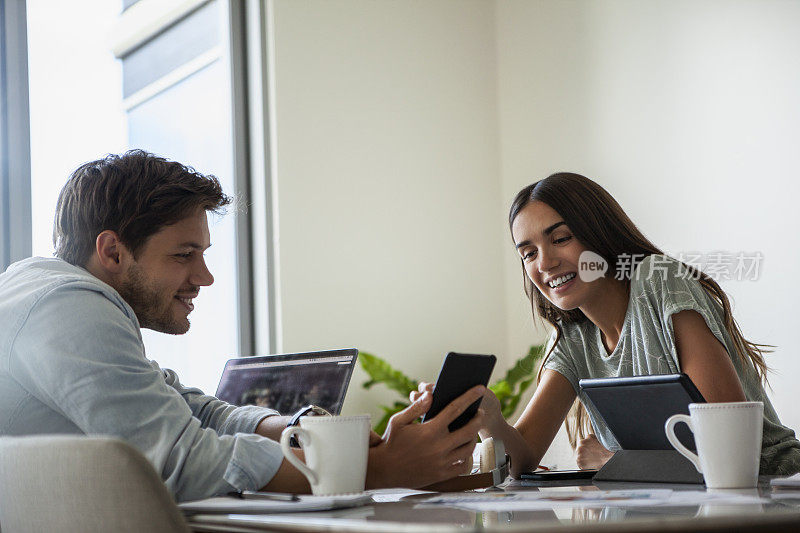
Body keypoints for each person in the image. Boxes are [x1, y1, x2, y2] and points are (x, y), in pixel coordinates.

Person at [0, 150, 483, 502]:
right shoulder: (65, 306)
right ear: (112, 252)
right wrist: (375, 468)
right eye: (184, 255)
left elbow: (193, 411)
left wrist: (306, 433)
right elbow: (180, 461)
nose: (204, 278)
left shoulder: (55, 299)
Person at [415, 172, 800, 477]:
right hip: (681, 510)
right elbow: (524, 457)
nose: (544, 263)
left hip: (774, 495)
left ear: (599, 233)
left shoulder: (659, 279)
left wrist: (616, 461)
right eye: (528, 253)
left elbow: (731, 445)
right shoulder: (575, 338)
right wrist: (491, 420)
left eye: (561, 238)